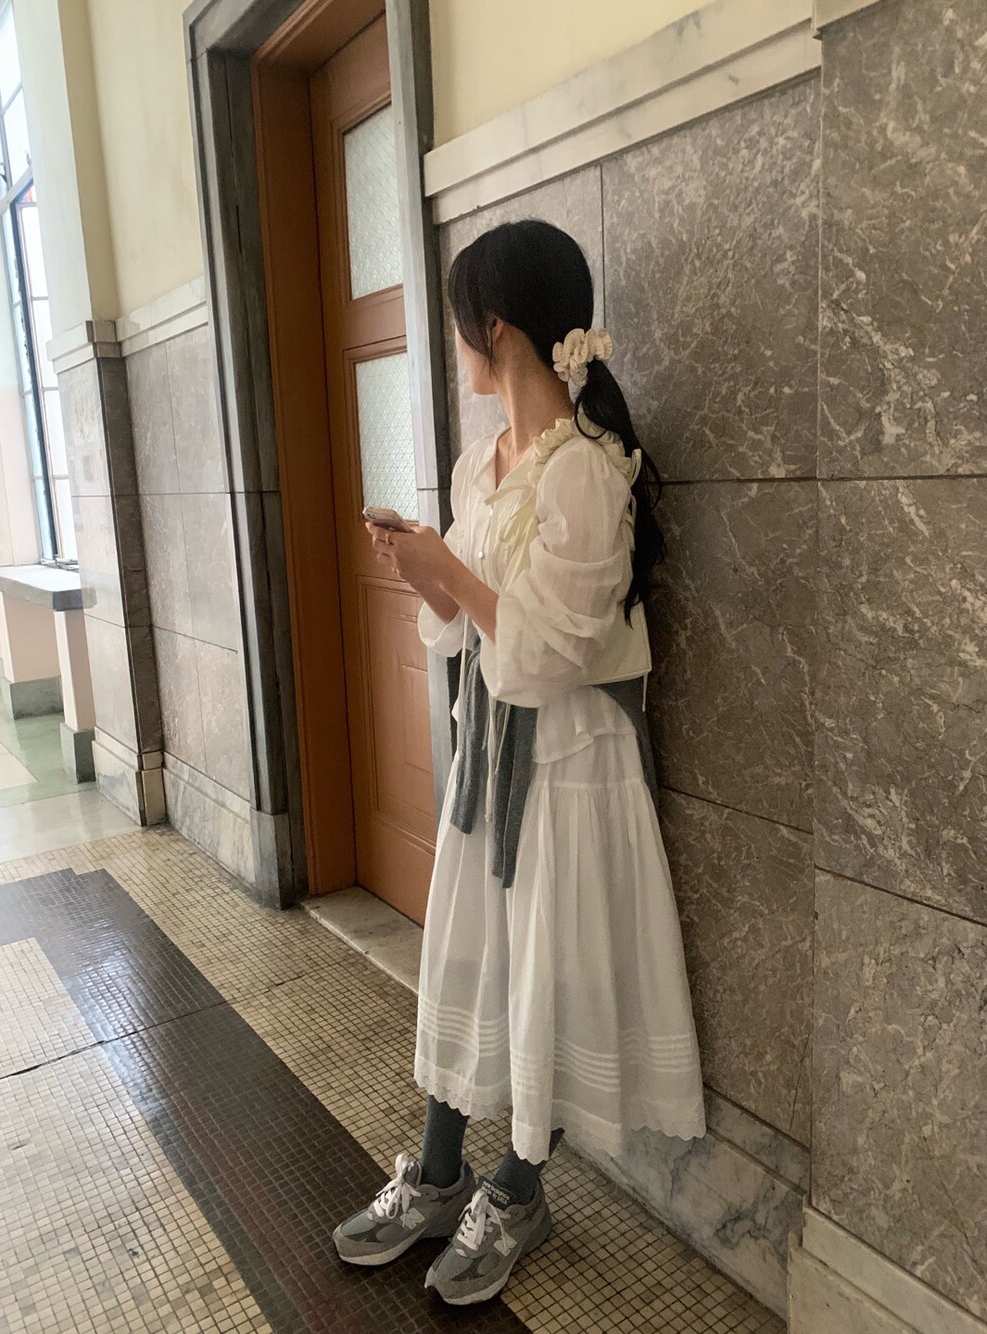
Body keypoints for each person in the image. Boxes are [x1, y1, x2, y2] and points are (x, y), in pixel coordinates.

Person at [333, 219, 706, 1306]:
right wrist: (423, 566)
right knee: (470, 960)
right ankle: (438, 1172)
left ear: (492, 328)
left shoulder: (584, 470)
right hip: (492, 761)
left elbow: (546, 653)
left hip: (571, 770)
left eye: (460, 324)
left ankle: (517, 1187)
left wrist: (449, 566)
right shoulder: (483, 462)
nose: (458, 342)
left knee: (545, 970)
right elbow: (464, 629)